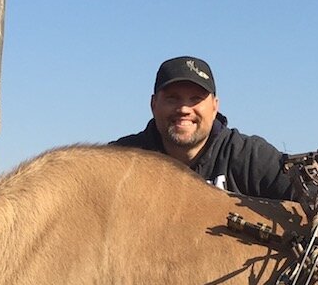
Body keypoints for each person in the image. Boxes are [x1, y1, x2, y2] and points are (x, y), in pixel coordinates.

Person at [112, 56, 294, 200]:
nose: (184, 109)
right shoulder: (121, 159)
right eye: (172, 99)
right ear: (153, 104)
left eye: (196, 99)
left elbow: (309, 203)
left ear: (215, 106)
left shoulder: (250, 156)